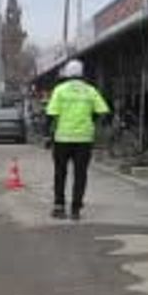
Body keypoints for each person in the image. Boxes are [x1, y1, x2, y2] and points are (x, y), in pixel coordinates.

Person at [46, 60, 110, 220]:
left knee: (60, 173)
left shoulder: (60, 90)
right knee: (80, 174)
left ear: (67, 74)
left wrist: (48, 134)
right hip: (84, 139)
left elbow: (51, 114)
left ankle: (59, 207)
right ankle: (76, 209)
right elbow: (102, 110)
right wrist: (91, 120)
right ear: (82, 74)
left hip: (62, 138)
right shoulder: (90, 91)